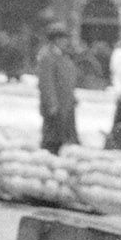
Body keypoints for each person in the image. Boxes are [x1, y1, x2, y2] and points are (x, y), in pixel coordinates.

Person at [35, 18, 80, 152]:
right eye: (63, 38)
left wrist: (72, 98)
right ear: (56, 39)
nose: (66, 41)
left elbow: (67, 80)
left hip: (65, 105)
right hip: (55, 107)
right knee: (51, 141)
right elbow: (46, 83)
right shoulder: (47, 56)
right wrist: (52, 104)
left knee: (63, 140)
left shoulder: (62, 55)